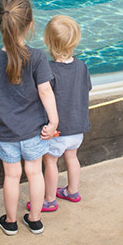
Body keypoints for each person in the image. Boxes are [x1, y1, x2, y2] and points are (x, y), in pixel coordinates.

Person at [0, 0, 59, 235]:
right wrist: (54, 121)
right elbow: (45, 91)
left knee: (11, 176)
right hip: (34, 131)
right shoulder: (39, 57)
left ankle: (10, 221)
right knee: (34, 173)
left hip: (6, 132)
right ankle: (34, 220)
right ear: (31, 25)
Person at [29, 15, 92, 212]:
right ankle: (72, 191)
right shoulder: (82, 66)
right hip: (78, 127)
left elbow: (43, 97)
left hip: (57, 130)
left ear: (46, 41)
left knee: (50, 161)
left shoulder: (48, 69)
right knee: (72, 157)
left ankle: (49, 199)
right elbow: (86, 89)